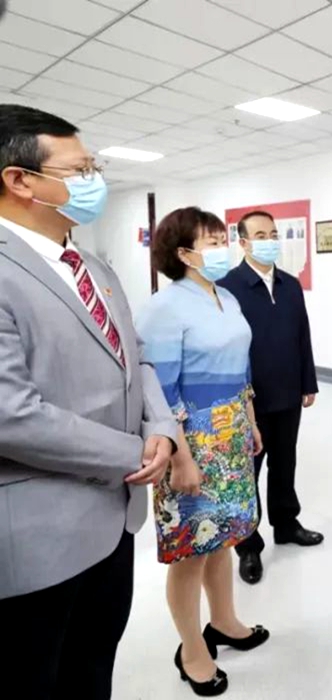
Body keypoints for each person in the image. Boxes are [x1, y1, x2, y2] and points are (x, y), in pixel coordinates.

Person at [0, 104, 175, 700]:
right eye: (79, 170)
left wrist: (163, 427)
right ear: (20, 180)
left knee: (94, 671)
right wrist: (135, 451)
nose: (93, 180)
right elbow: (11, 415)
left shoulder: (93, 267)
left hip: (114, 521)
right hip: (39, 538)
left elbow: (137, 357)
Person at [140, 207, 269, 697]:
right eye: (211, 241)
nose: (222, 248)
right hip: (190, 441)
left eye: (221, 239)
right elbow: (159, 389)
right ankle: (192, 650)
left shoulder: (226, 297)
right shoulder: (164, 307)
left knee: (224, 537)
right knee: (190, 550)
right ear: (183, 253)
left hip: (231, 434)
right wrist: (180, 458)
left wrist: (249, 421)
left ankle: (225, 621)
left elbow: (241, 367)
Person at [219, 210, 323, 586]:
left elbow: (302, 336)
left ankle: (286, 522)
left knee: (285, 462)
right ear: (243, 243)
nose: (269, 241)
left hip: (288, 393)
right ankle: (248, 544)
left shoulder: (290, 285)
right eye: (260, 235)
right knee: (248, 472)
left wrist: (308, 382)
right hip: (248, 399)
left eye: (273, 234)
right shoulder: (227, 288)